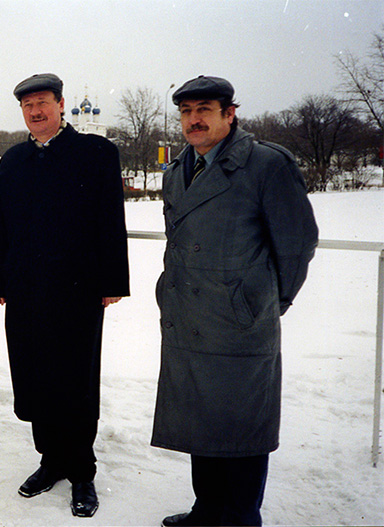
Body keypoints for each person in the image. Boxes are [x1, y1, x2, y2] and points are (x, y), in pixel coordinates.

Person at [152, 76, 319, 527]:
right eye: (186, 112)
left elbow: (298, 243)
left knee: (242, 428)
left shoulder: (266, 164)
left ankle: (241, 519)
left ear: (230, 113)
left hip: (240, 322)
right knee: (201, 421)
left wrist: (264, 300)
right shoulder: (178, 169)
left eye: (204, 109)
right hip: (190, 318)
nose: (194, 120)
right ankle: (207, 510)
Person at [0, 73, 130, 518]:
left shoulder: (96, 154)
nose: (36, 111)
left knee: (74, 379)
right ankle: (50, 461)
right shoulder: (12, 161)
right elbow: (0, 226)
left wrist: (112, 282)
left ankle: (82, 471)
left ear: (61, 104)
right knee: (33, 375)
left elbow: (110, 220)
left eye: (43, 102)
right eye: (28, 105)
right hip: (26, 290)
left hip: (77, 290)